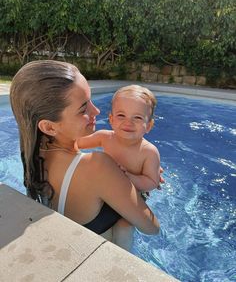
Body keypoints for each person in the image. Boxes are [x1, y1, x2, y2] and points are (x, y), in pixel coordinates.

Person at [10, 60, 160, 250]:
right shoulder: (98, 167)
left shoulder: (32, 153)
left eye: (90, 100)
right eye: (83, 108)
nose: (96, 111)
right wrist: (128, 182)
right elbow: (151, 228)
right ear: (49, 126)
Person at [74, 85, 161, 249]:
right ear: (111, 119)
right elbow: (75, 144)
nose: (128, 122)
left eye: (137, 118)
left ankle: (123, 257)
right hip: (106, 192)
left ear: (148, 126)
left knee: (124, 227)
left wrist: (127, 176)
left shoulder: (148, 152)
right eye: (121, 115)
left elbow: (152, 182)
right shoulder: (104, 137)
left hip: (133, 196)